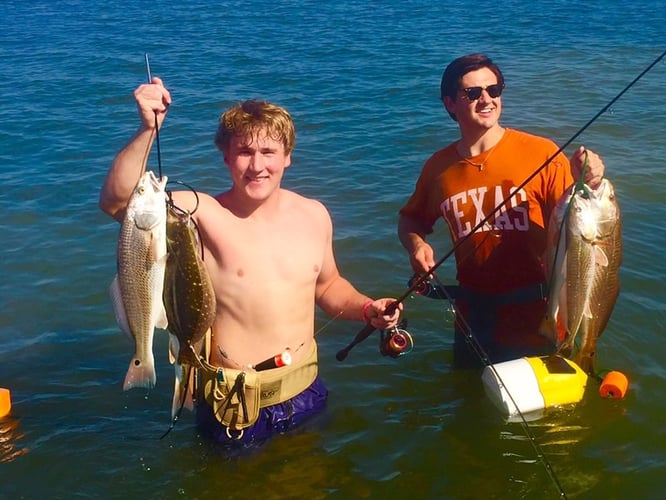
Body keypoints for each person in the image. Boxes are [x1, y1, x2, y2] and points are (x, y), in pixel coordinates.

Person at [100, 77, 402, 446]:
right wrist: (149, 129)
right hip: (236, 406)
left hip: (306, 392)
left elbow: (328, 286)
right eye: (244, 152)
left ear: (288, 156)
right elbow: (120, 203)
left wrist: (369, 307)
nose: (257, 165)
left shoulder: (315, 214)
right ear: (226, 157)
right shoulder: (200, 213)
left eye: (269, 152)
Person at [397, 54, 606, 367]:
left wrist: (591, 180)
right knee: (471, 402)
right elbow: (410, 218)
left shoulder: (541, 152)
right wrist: (417, 244)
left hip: (539, 315)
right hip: (472, 318)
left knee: (546, 412)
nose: (486, 99)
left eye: (493, 90)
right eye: (473, 93)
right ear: (450, 103)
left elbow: (581, 216)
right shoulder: (438, 169)